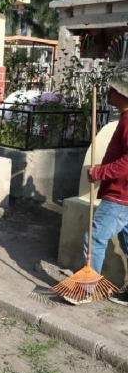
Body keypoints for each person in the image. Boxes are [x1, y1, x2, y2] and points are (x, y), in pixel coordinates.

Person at [85, 59, 128, 306]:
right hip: (124, 195)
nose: (108, 92)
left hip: (119, 196)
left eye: (112, 89)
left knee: (94, 239)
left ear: (122, 93)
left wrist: (101, 172)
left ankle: (87, 289)